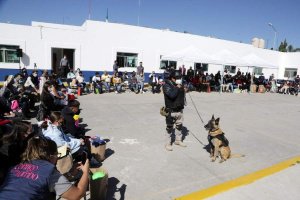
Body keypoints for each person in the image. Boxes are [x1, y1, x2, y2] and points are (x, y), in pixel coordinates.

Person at [0, 136, 89, 200]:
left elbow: (43, 182)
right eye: (56, 155)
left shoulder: (16, 166)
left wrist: (70, 173)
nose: (57, 158)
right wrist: (85, 172)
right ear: (50, 156)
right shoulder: (48, 171)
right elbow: (77, 195)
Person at [162, 70, 187, 151]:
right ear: (172, 78)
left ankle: (178, 140)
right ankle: (168, 143)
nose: (179, 79)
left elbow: (186, 91)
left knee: (179, 126)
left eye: (180, 78)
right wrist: (177, 88)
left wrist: (185, 89)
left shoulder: (179, 84)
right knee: (169, 127)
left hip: (179, 109)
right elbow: (172, 95)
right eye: (177, 78)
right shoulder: (166, 85)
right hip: (171, 110)